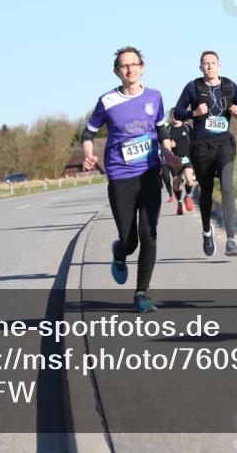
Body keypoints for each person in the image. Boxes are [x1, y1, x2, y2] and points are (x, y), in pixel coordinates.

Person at [81, 46, 173, 313]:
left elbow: (161, 128)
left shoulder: (155, 97)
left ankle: (142, 293)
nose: (130, 69)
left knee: (149, 234)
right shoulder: (107, 101)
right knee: (129, 240)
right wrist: (89, 155)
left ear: (142, 67)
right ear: (116, 71)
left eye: (134, 64)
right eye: (124, 66)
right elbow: (88, 133)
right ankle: (120, 253)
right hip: (120, 176)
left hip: (149, 174)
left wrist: (168, 152)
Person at [173, 50, 237, 258]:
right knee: (206, 190)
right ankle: (207, 231)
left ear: (219, 65)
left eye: (213, 63)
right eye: (205, 64)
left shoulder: (229, 85)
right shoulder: (193, 87)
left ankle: (231, 240)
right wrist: (193, 113)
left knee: (227, 187)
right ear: (200, 67)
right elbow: (177, 112)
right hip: (202, 146)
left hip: (224, 143)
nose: (209, 66)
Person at [168, 112, 196, 215]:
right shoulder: (168, 129)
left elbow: (194, 139)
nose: (174, 117)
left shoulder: (187, 126)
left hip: (187, 158)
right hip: (175, 160)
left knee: (189, 179)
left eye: (176, 115)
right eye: (172, 115)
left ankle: (188, 197)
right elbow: (163, 144)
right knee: (176, 182)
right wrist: (170, 146)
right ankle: (179, 203)